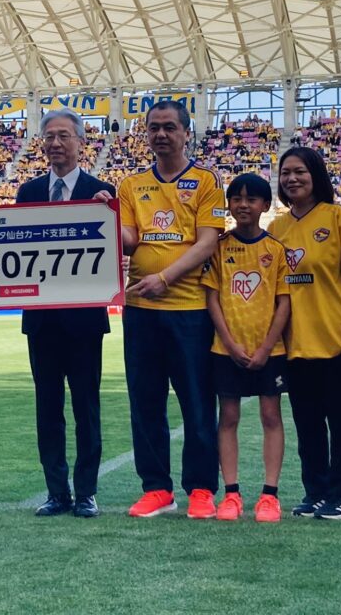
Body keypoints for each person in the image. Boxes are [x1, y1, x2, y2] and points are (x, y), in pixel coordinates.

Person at [118, 100, 224, 519]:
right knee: (145, 402)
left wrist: (165, 278)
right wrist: (101, 216)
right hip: (140, 309)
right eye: (153, 128)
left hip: (190, 309)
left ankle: (201, 488)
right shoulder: (131, 185)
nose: (160, 134)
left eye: (169, 127)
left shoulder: (206, 181)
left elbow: (207, 242)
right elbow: (128, 239)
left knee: (197, 402)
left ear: (185, 133)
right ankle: (157, 488)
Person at [16, 109, 114, 518]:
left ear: (80, 142)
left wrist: (109, 213)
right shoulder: (27, 192)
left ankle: (86, 492)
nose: (55, 143)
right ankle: (57, 492)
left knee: (86, 409)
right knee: (48, 409)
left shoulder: (102, 192)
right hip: (41, 320)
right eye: (49, 137)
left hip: (84, 321)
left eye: (63, 136)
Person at [267, 146, 341, 521]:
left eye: (300, 171)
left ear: (316, 175)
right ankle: (316, 491)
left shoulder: (338, 216)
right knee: (307, 424)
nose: (292, 179)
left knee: (340, 420)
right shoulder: (276, 229)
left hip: (337, 337)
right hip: (294, 343)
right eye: (286, 173)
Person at [202, 173, 290, 523]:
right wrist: (228, 341)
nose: (243, 205)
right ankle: (232, 494)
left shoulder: (276, 250)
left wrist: (267, 347)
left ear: (265, 205)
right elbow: (212, 298)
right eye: (236, 198)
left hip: (271, 351)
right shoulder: (219, 247)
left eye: (251, 199)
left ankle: (269, 495)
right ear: (228, 205)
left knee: (271, 416)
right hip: (226, 351)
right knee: (228, 417)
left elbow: (284, 303)